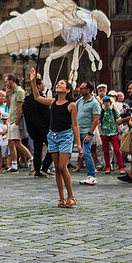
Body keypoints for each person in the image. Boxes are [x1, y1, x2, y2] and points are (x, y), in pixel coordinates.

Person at [25, 68, 78, 207]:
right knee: (57, 168)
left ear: (67, 90)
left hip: (65, 136)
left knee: (62, 167)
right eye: (58, 83)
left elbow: (75, 125)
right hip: (52, 136)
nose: (58, 85)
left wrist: (78, 144)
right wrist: (32, 82)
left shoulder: (71, 105)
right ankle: (61, 198)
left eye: (62, 84)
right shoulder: (53, 102)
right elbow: (37, 97)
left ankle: (71, 197)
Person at [23, 73, 52, 177]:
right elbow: (45, 115)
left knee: (38, 150)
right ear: (38, 86)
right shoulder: (40, 100)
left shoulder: (27, 100)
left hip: (34, 130)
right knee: (52, 148)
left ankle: (38, 170)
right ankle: (44, 167)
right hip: (43, 129)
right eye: (42, 84)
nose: (44, 86)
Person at [74, 82, 101, 185]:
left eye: (82, 89)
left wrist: (89, 134)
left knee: (86, 152)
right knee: (83, 153)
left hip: (87, 132)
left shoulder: (94, 103)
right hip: (79, 131)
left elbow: (95, 120)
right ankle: (90, 175)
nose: (80, 90)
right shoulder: (80, 101)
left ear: (88, 90)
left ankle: (92, 175)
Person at [99, 95, 124, 174]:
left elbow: (118, 121)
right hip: (105, 133)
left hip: (113, 132)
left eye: (108, 102)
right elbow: (98, 122)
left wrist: (119, 132)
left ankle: (121, 167)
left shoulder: (113, 111)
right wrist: (101, 132)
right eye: (105, 102)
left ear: (110, 103)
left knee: (117, 150)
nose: (106, 104)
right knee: (106, 151)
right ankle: (108, 167)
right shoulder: (102, 112)